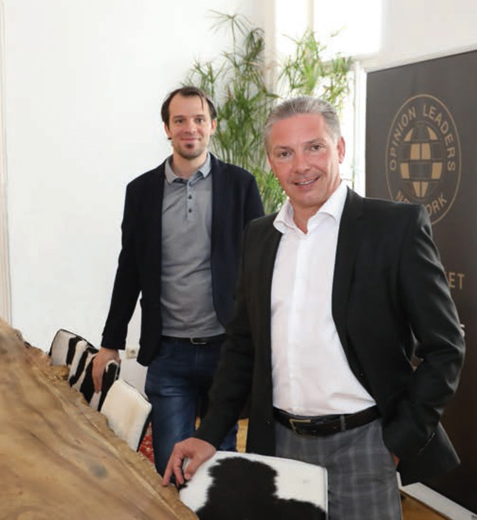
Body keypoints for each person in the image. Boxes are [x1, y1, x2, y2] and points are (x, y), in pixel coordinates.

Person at [163, 96, 465, 520]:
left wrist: (399, 441)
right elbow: (242, 347)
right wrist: (210, 432)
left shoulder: (394, 228)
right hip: (278, 445)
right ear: (271, 162)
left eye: (315, 148)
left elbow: (446, 347)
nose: (301, 166)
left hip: (366, 446)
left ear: (339, 148)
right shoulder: (260, 236)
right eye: (284, 153)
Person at [93, 86, 264, 475]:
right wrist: (109, 343)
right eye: (180, 120)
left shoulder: (240, 185)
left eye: (199, 119)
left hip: (227, 350)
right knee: (169, 467)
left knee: (220, 467)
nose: (191, 128)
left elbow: (260, 267)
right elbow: (129, 269)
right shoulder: (141, 192)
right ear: (167, 128)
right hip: (168, 351)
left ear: (213, 125)